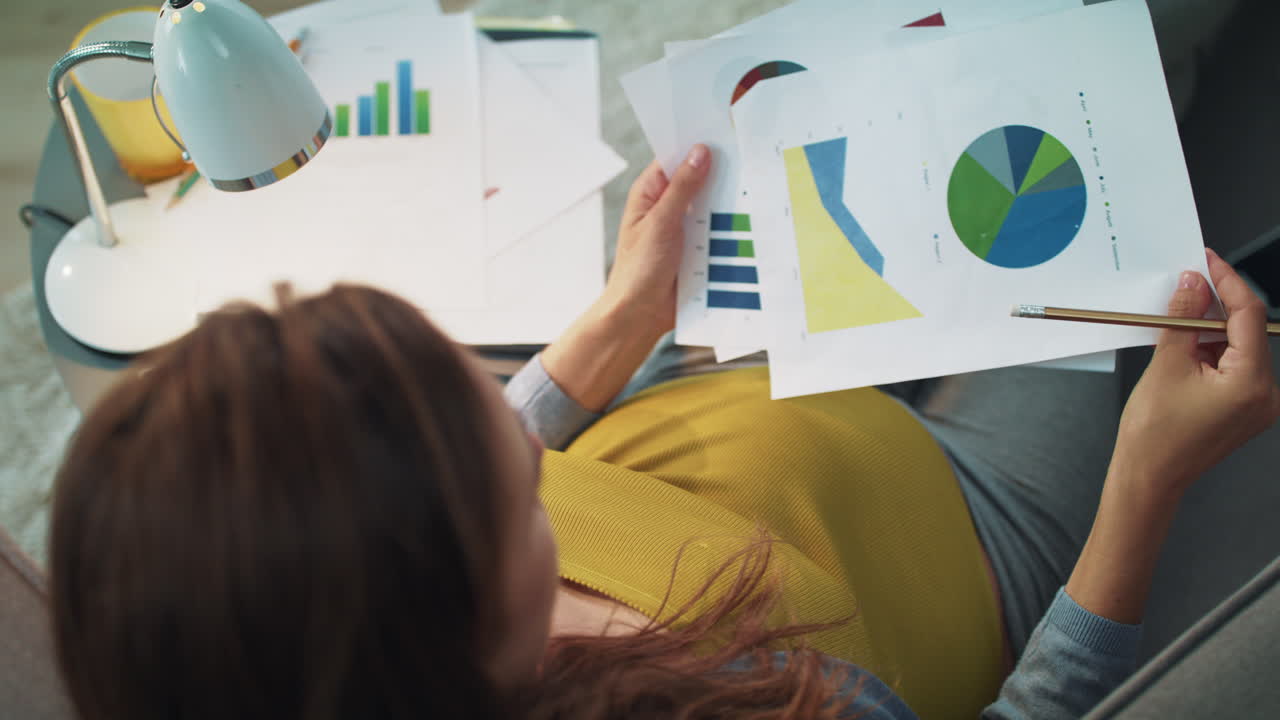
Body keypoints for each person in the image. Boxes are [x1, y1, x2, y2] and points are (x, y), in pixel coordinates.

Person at [48, 144, 1279, 720]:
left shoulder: (355, 605)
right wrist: (1144, 472)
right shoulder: (727, 711)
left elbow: (460, 451)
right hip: (970, 531)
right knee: (1108, 186)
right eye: (513, 483)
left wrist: (619, 318)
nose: (518, 407)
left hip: (736, 424)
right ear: (455, 614)